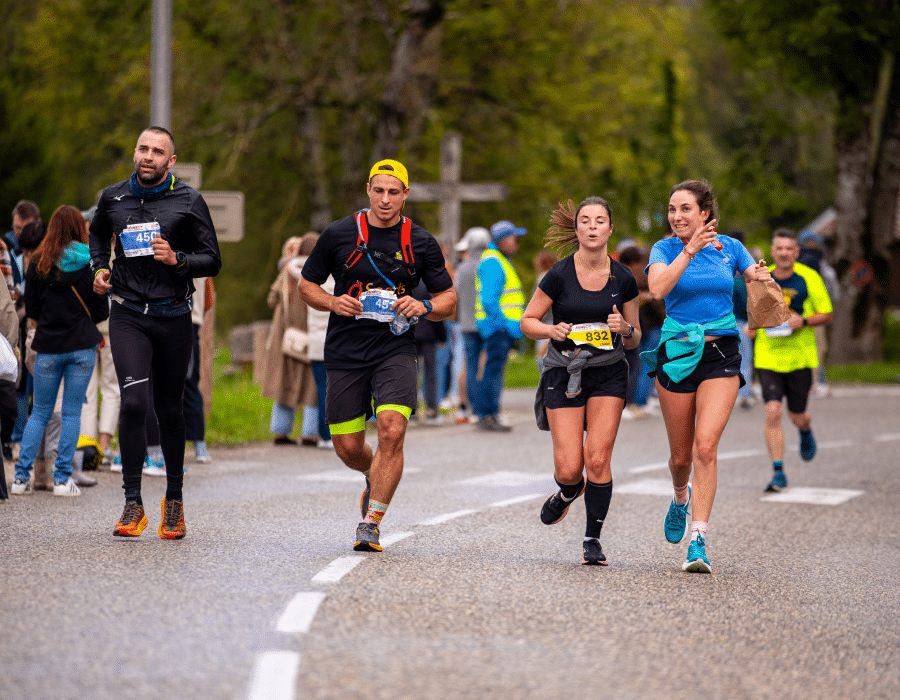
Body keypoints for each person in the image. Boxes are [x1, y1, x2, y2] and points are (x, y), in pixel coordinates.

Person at [299, 159, 456, 552]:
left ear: (405, 195)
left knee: (391, 429)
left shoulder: (420, 242)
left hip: (395, 346)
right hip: (346, 349)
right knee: (348, 447)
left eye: (394, 192)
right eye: (379, 190)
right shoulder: (338, 234)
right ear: (368, 190)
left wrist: (423, 306)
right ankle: (375, 473)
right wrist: (334, 302)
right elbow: (306, 285)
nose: (385, 200)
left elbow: (449, 299)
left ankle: (371, 523)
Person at [90, 126, 221, 538]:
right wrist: (99, 267)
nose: (149, 156)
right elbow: (96, 233)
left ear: (171, 161)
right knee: (132, 402)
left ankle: (174, 499)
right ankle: (133, 503)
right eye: (143, 148)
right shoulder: (112, 197)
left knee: (169, 409)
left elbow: (212, 259)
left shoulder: (189, 200)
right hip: (128, 312)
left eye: (158, 151)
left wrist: (178, 259)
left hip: (173, 315)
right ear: (135, 153)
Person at [642, 180, 770, 573]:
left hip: (722, 354)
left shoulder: (730, 248)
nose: (676, 216)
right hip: (678, 353)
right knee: (681, 457)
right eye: (672, 209)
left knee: (705, 447)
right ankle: (680, 496)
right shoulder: (664, 249)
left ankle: (697, 540)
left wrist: (761, 277)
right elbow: (658, 289)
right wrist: (689, 250)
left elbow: (755, 277)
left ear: (704, 214)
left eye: (685, 209)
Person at [521, 197, 641, 565]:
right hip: (565, 371)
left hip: (608, 372)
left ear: (609, 229)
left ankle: (592, 539)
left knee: (598, 458)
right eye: (585, 221)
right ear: (576, 230)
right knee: (570, 469)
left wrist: (625, 328)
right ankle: (569, 492)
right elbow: (527, 321)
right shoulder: (558, 274)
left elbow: (636, 336)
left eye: (599, 220)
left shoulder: (623, 278)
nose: (592, 226)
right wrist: (551, 329)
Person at [10, 205, 109, 497]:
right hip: (81, 347)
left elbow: (34, 309)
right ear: (81, 228)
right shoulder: (92, 263)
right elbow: (101, 311)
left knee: (39, 412)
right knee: (71, 414)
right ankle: (63, 479)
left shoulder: (38, 262)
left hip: (47, 346)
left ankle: (20, 478)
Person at [746, 228, 833, 492]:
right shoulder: (762, 277)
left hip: (799, 357)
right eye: (779, 248)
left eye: (789, 248)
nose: (784, 253)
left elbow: (826, 313)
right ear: (773, 251)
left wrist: (802, 321)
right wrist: (753, 326)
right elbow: (754, 315)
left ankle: (805, 431)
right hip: (768, 356)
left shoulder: (809, 278)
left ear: (796, 252)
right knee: (773, 412)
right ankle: (778, 471)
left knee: (798, 416)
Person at [263, 234, 318, 446]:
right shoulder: (319, 273)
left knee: (284, 384)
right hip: (311, 337)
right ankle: (310, 433)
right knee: (312, 385)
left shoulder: (287, 273)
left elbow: (271, 300)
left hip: (284, 338)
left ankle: (280, 431)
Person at [473, 220, 527, 432]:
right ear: (503, 239)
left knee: (493, 371)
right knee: (492, 372)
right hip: (498, 328)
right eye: (513, 238)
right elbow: (488, 300)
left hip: (499, 327)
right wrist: (502, 325)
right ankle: (487, 415)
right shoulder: (494, 261)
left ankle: (488, 414)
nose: (516, 242)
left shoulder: (498, 259)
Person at [454, 226, 492, 424]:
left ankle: (464, 405)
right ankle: (481, 408)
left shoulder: (463, 268)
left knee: (468, 365)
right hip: (484, 322)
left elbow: (456, 293)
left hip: (466, 323)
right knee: (484, 365)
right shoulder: (489, 265)